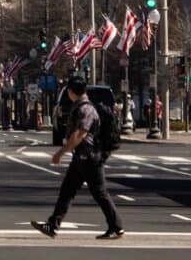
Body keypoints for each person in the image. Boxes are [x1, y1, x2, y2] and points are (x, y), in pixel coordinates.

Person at [32, 75, 124, 240]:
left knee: (100, 193)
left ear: (71, 91)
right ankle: (52, 225)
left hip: (90, 158)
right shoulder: (81, 106)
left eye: (68, 90)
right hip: (81, 158)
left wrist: (61, 152)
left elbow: (80, 133)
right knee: (67, 192)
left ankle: (116, 227)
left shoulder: (85, 109)